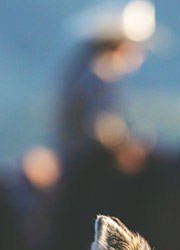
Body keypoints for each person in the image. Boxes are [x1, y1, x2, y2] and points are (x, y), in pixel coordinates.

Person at [56, 0, 155, 174]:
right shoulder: (97, 75)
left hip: (73, 158)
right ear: (120, 46)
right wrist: (129, 142)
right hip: (87, 164)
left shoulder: (81, 67)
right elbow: (101, 127)